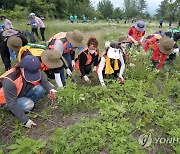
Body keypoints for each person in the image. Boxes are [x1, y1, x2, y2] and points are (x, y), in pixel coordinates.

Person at [0, 55, 56, 128]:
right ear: (22, 69)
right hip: (7, 100)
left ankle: (25, 105)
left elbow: (43, 80)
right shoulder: (9, 80)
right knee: (28, 104)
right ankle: (18, 110)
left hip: (21, 92)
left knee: (41, 89)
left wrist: (51, 89)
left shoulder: (32, 68)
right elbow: (11, 103)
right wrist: (25, 120)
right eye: (30, 75)